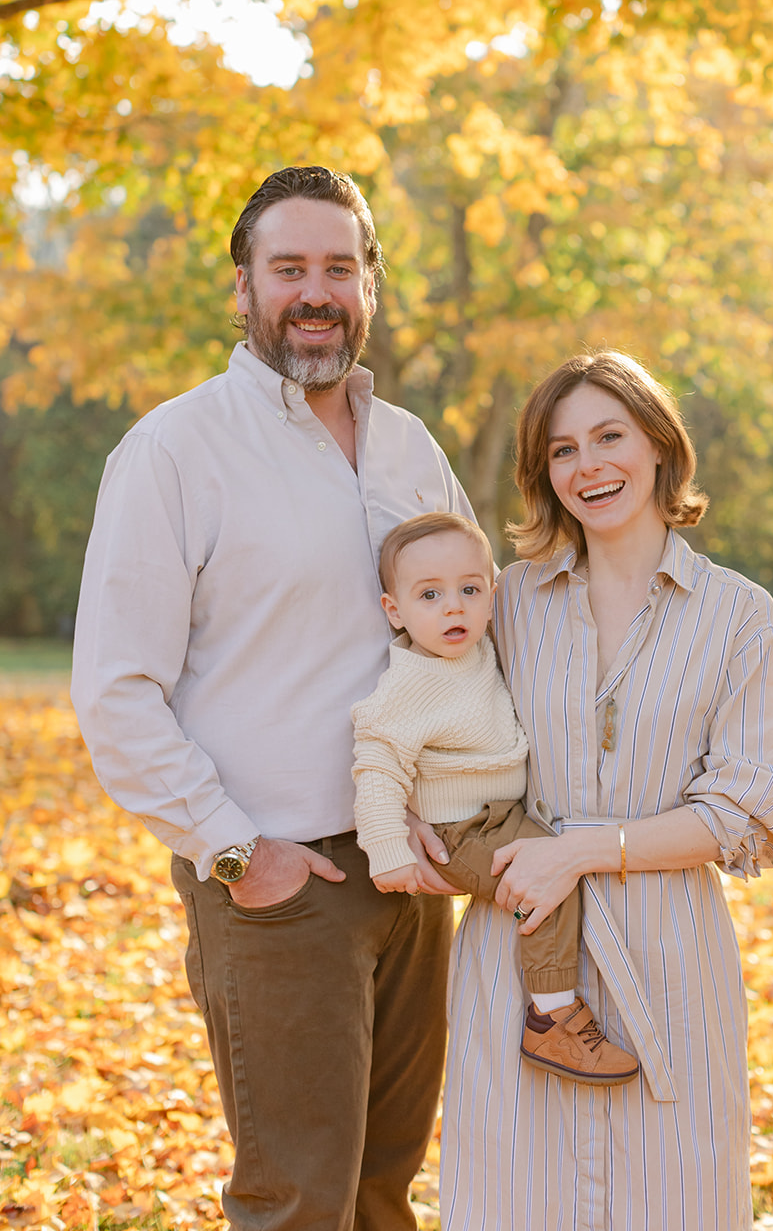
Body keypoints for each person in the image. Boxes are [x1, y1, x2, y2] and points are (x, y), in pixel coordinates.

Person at [71, 166, 471, 1231]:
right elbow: (116, 689)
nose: (314, 291)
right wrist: (240, 853)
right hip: (280, 884)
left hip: (414, 877)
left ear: (369, 286)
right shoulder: (174, 451)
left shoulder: (409, 448)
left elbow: (472, 635)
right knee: (298, 1202)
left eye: (338, 267)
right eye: (287, 267)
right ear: (242, 290)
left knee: (385, 1194)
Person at [438, 351, 773, 1231]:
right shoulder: (505, 603)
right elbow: (433, 729)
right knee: (511, 1200)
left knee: (674, 1197)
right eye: (563, 451)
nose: (589, 466)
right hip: (520, 949)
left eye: (609, 436)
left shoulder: (738, 616)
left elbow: (761, 809)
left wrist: (585, 848)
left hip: (668, 950)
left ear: (658, 444)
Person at [351, 511, 638, 1084]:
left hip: (500, 817)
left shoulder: (479, 650)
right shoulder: (407, 684)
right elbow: (377, 764)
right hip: (461, 833)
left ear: (492, 597)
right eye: (429, 594)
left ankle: (554, 1006)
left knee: (552, 864)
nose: (453, 607)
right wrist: (388, 850)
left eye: (469, 590)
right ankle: (551, 1015)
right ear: (394, 611)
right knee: (547, 880)